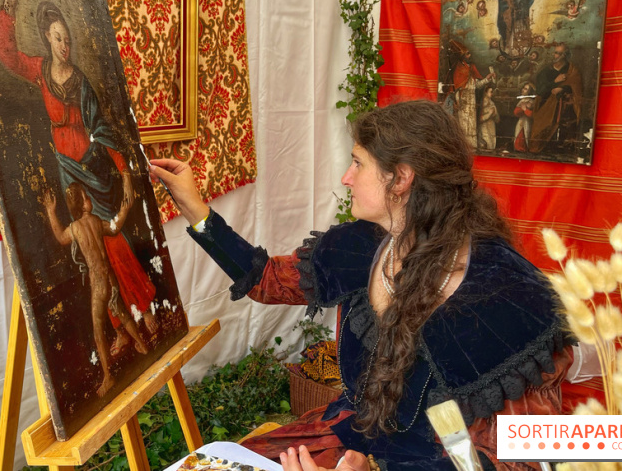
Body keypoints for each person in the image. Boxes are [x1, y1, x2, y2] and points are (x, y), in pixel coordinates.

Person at [151, 101, 574, 471]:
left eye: (358, 162)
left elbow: (517, 459)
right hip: (349, 437)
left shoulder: (506, 294)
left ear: (401, 178)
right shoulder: (363, 245)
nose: (346, 176)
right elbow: (266, 281)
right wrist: (195, 208)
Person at [0, 0, 158, 346]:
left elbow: (101, 128)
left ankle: (142, 307)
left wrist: (124, 172)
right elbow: (7, 55)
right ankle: (119, 327)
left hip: (94, 170)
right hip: (69, 174)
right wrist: (9, 7)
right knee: (89, 252)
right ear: (46, 40)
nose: (64, 46)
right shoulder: (39, 71)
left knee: (113, 243)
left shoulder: (82, 83)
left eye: (67, 39)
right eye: (57, 39)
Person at [42, 183, 149, 396]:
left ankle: (108, 377)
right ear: (82, 204)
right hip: (110, 278)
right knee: (122, 313)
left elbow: (61, 237)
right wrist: (124, 210)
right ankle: (141, 344)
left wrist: (50, 211)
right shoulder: (96, 222)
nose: (90, 199)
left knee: (98, 329)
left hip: (99, 283)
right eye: (87, 197)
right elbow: (114, 227)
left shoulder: (75, 228)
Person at [529, 43, 583, 153]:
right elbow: (540, 91)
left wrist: (563, 88)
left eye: (559, 53)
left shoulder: (572, 69)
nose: (555, 55)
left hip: (566, 105)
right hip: (545, 104)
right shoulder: (545, 71)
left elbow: (576, 86)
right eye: (555, 52)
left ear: (565, 55)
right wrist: (555, 82)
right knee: (541, 128)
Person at [450, 43, 495, 147]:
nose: (470, 56)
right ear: (462, 56)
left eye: (469, 54)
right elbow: (456, 88)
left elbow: (477, 85)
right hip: (463, 100)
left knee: (472, 125)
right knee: (463, 125)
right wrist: (457, 101)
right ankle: (464, 146)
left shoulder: (471, 68)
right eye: (467, 54)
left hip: (472, 99)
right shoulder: (459, 69)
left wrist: (486, 78)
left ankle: (473, 147)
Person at [513, 82, 535, 152]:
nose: (523, 90)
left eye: (525, 89)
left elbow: (532, 115)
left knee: (526, 135)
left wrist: (525, 109)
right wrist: (522, 109)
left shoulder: (531, 102)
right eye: (523, 88)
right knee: (518, 136)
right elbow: (516, 113)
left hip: (528, 122)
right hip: (521, 121)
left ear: (529, 91)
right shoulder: (522, 101)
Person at [478, 86, 499, 150]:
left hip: (491, 125)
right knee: (486, 143)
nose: (492, 93)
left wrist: (495, 114)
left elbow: (497, 119)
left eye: (492, 92)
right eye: (490, 92)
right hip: (484, 126)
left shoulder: (492, 103)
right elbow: (479, 119)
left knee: (492, 143)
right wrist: (489, 114)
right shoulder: (481, 103)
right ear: (485, 92)